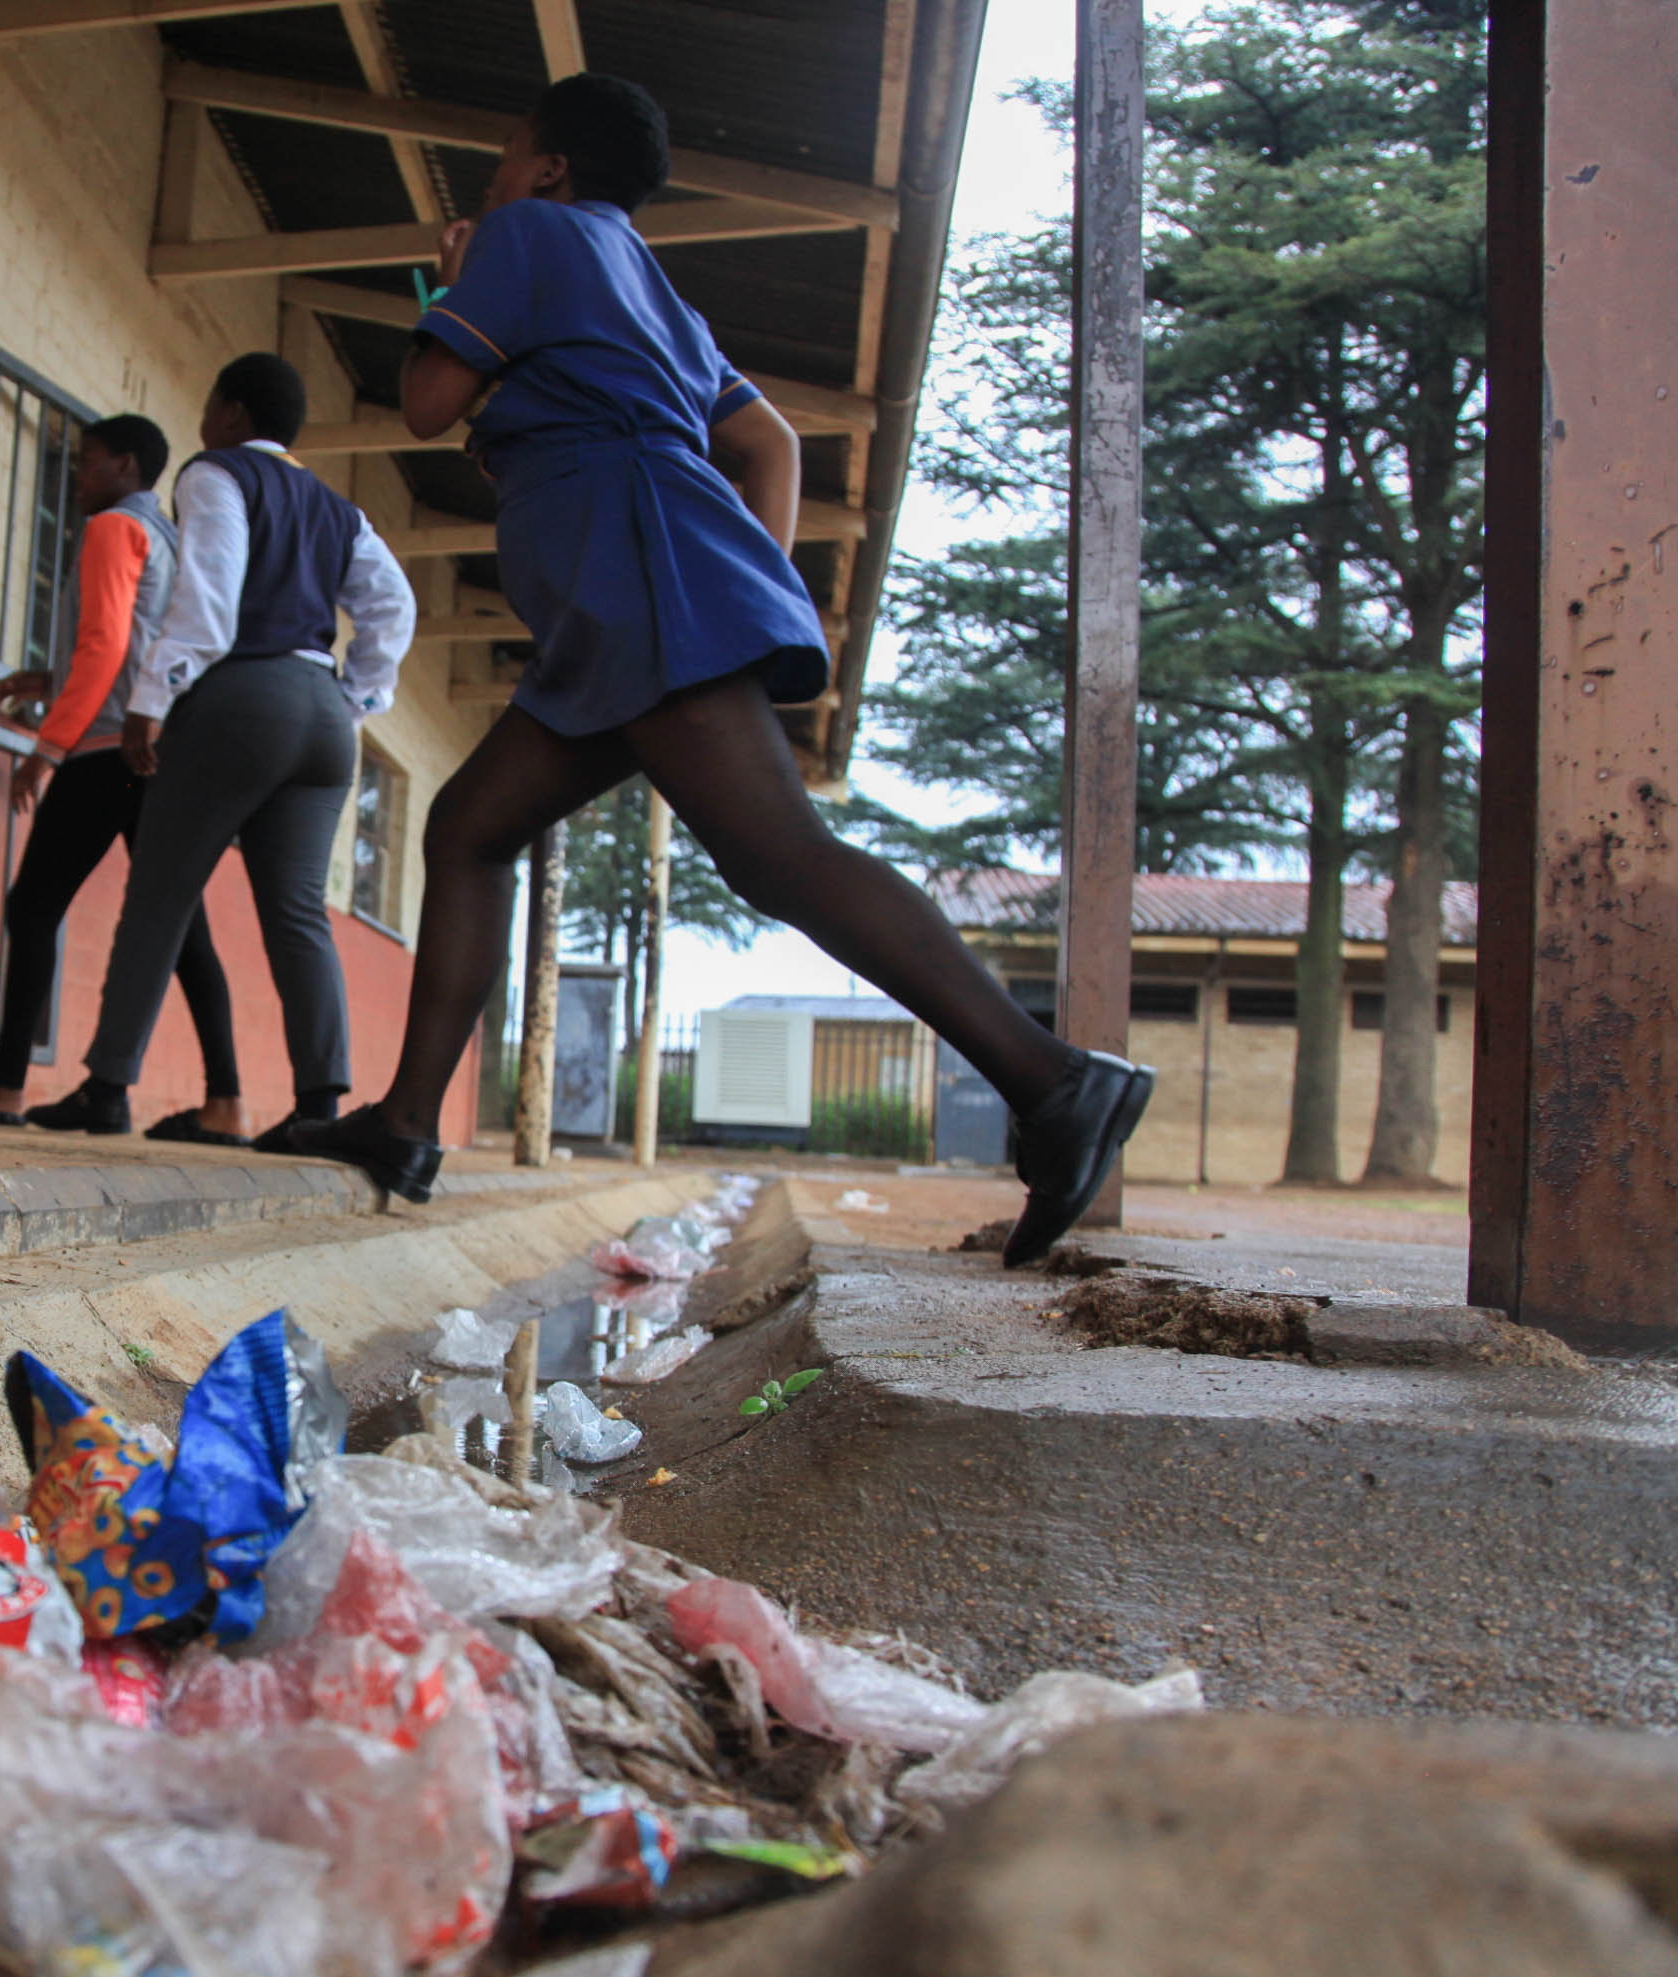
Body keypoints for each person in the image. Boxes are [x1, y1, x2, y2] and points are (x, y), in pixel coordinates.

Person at [290, 74, 1151, 1268]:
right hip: (633, 594)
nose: (490, 181)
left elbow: (428, 400)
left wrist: (452, 276)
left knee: (777, 854)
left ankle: (1055, 1080)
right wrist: (741, 579)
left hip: (639, 578)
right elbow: (768, 443)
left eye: (502, 159)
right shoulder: (662, 298)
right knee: (471, 825)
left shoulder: (526, 234)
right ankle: (403, 1124)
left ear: (547, 168)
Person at [26, 354, 419, 1143]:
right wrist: (356, 698)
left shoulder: (216, 473)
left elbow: (210, 589)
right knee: (299, 911)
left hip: (243, 700)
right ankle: (318, 1108)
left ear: (232, 413)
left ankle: (107, 1089)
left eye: (209, 400)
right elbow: (393, 604)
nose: (204, 416)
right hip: (323, 721)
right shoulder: (342, 511)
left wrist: (152, 695)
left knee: (161, 895)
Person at [0, 415, 250, 1144]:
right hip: (158, 754)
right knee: (184, 930)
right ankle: (227, 1101)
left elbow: (105, 646)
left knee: (33, 906)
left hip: (105, 753)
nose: (78, 477)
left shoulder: (112, 531)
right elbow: (131, 647)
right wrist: (50, 677)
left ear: (126, 466)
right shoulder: (167, 539)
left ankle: (4, 1088)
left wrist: (47, 749)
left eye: (88, 463)